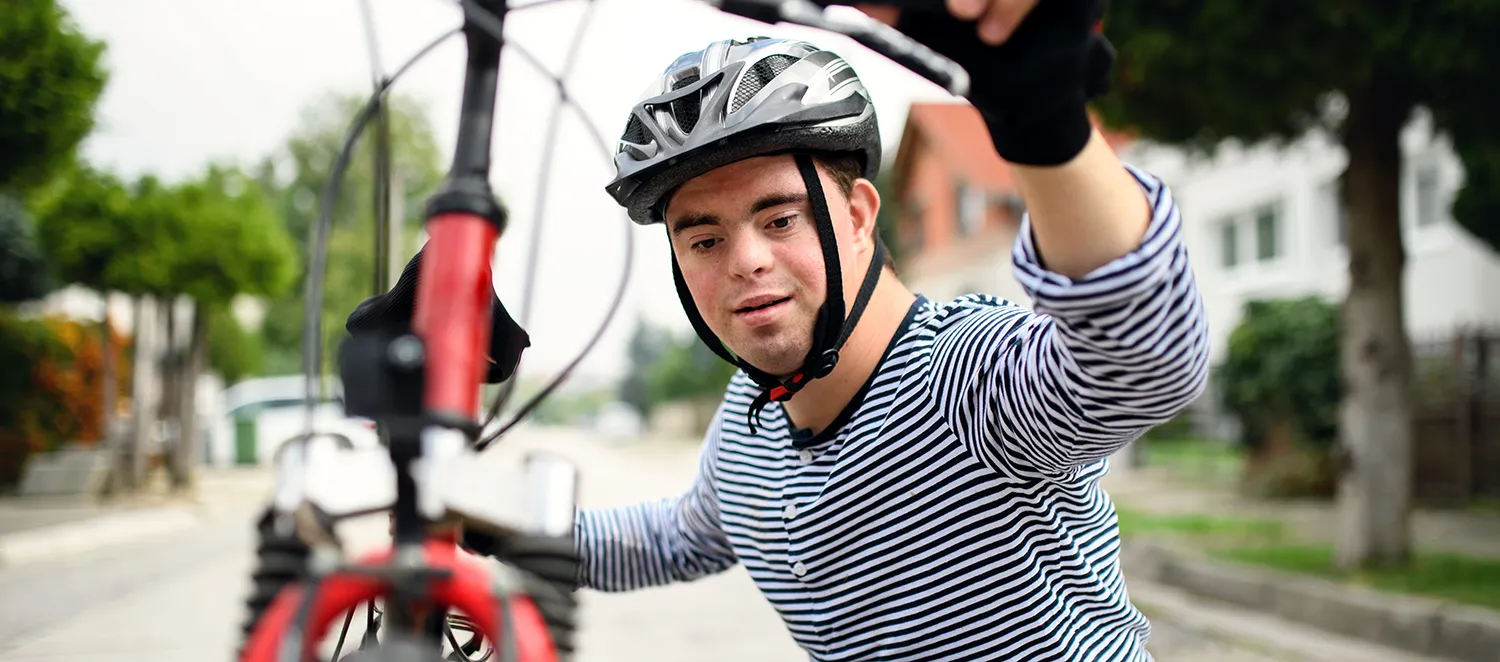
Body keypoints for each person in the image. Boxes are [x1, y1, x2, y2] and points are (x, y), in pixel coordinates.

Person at [569, 1, 1208, 660]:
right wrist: (477, 526)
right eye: (703, 239)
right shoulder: (747, 426)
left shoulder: (963, 377)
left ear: (857, 215)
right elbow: (680, 535)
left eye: (781, 219)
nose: (746, 261)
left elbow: (1141, 367)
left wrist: (1047, 126)